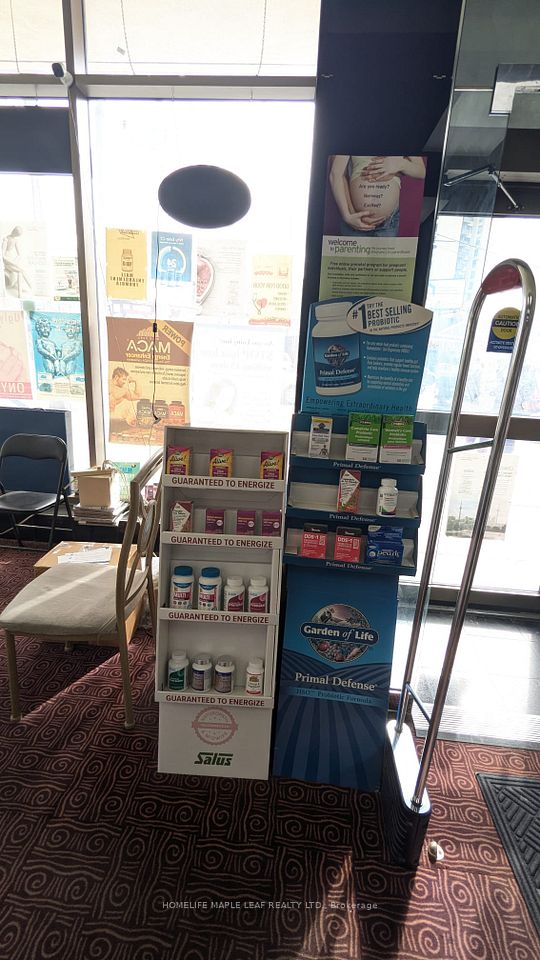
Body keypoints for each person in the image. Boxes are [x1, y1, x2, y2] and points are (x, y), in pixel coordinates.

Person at [329, 155, 426, 237]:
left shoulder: (404, 138)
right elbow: (336, 173)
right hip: (354, 220)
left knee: (387, 255)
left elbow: (422, 171)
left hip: (388, 223)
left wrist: (401, 164)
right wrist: (347, 215)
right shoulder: (351, 137)